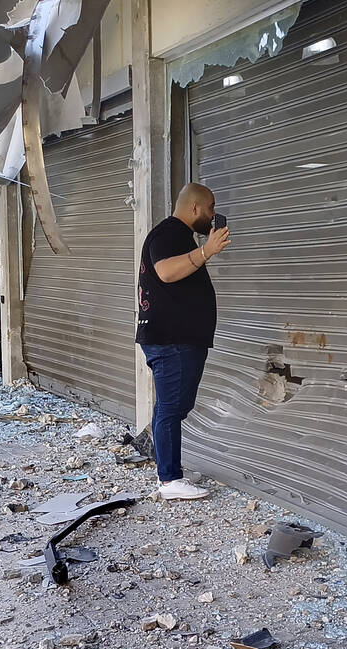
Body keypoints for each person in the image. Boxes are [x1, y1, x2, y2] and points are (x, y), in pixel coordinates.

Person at [135, 183, 231, 500]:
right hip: (172, 341)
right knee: (172, 408)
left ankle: (161, 459)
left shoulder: (176, 236)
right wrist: (207, 251)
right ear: (194, 208)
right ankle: (170, 479)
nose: (212, 215)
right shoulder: (169, 234)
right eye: (210, 208)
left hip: (176, 340)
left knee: (172, 406)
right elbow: (165, 272)